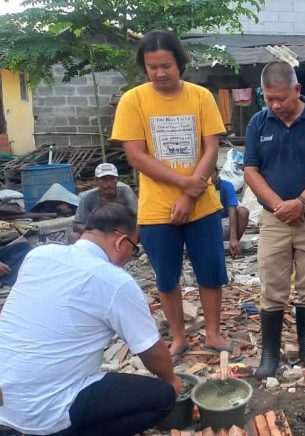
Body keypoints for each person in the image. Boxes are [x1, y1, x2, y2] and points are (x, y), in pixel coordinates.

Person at [111, 30, 240, 362]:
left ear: (180, 63)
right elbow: (136, 156)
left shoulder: (200, 97)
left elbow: (211, 146)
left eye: (166, 65)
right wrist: (185, 186)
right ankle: (179, 337)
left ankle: (212, 333)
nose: (160, 73)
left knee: (210, 272)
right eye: (152, 67)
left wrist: (192, 194)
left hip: (202, 206)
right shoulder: (133, 100)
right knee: (166, 276)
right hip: (157, 210)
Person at [0, 204, 180, 436]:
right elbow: (152, 352)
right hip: (43, 416)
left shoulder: (38, 255)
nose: (129, 257)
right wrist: (172, 381)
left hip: (5, 403)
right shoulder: (115, 280)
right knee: (162, 396)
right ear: (120, 241)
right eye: (134, 248)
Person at [244, 61, 305, 377]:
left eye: (281, 98)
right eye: (268, 98)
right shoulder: (259, 123)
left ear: (297, 90)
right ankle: (269, 355)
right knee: (272, 284)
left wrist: (301, 202)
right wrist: (279, 206)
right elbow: (250, 171)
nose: (274, 105)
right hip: (275, 220)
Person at [69, 163, 138, 243]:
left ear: (117, 180)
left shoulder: (126, 192)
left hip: (122, 233)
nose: (108, 184)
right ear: (96, 180)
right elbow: (77, 225)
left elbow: (136, 217)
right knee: (73, 237)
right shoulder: (87, 197)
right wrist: (99, 233)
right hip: (98, 234)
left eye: (112, 179)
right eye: (103, 179)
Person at [212, 167, 249, 258]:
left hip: (223, 222)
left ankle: (232, 244)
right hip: (208, 223)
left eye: (211, 173)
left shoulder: (226, 186)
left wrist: (233, 238)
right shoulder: (202, 187)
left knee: (243, 212)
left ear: (217, 173)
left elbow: (232, 210)